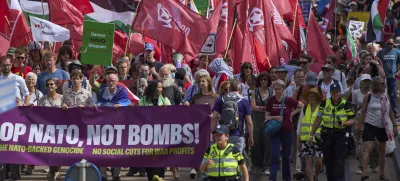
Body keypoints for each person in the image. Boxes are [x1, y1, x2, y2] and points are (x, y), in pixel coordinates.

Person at [309, 83, 355, 181]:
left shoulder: (346, 104)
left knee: (339, 161)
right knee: (329, 162)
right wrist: (311, 134)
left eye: (337, 92)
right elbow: (318, 119)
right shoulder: (324, 104)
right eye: (333, 92)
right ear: (330, 93)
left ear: (340, 93)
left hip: (341, 135)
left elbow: (352, 120)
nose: (335, 94)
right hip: (327, 135)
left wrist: (344, 123)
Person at [356, 77, 398, 181]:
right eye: (380, 84)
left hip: (382, 126)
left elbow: (390, 112)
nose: (383, 85)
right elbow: (363, 112)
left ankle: (382, 174)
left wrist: (394, 125)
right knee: (368, 148)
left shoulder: (385, 96)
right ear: (375, 85)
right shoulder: (368, 96)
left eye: (383, 84)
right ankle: (364, 173)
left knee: (382, 150)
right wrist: (358, 126)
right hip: (370, 124)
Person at [265, 79, 304, 181]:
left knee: (286, 156)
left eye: (280, 89)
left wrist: (292, 113)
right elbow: (267, 117)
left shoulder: (288, 100)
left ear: (283, 89)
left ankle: (287, 178)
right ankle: (272, 178)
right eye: (276, 89)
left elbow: (301, 105)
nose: (278, 91)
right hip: (274, 131)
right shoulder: (270, 101)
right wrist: (275, 117)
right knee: (275, 155)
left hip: (287, 131)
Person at [96, 73, 131, 181]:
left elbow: (128, 103)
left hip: (117, 126)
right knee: (101, 150)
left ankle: (116, 174)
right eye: (109, 81)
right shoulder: (101, 92)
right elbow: (96, 104)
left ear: (117, 82)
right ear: (106, 81)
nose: (111, 83)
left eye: (113, 81)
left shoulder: (122, 92)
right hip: (103, 126)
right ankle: (103, 174)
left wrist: (122, 106)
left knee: (117, 150)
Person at [211, 79, 254, 154]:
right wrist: (251, 137)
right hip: (238, 134)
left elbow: (214, 117)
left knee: (224, 158)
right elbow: (249, 122)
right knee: (237, 159)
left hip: (223, 134)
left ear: (229, 88)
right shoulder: (244, 101)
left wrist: (213, 133)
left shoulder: (221, 99)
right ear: (239, 89)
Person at [139, 80, 171, 181]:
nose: (162, 89)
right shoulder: (143, 100)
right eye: (159, 87)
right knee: (149, 155)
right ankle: (152, 177)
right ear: (154, 89)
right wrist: (132, 108)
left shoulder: (165, 100)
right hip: (147, 134)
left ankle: (159, 176)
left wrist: (167, 109)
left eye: (162, 87)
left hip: (161, 134)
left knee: (160, 154)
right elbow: (138, 114)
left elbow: (172, 114)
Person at [38, 78, 63, 181]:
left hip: (60, 129)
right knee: (50, 152)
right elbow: (37, 113)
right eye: (47, 85)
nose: (50, 86)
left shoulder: (62, 98)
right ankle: (53, 172)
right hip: (47, 130)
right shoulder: (42, 99)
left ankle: (54, 172)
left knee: (58, 152)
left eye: (52, 84)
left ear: (56, 86)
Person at [296, 88, 323, 181]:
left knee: (318, 161)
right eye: (309, 96)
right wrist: (298, 140)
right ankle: (311, 179)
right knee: (308, 159)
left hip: (318, 139)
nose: (311, 98)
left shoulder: (322, 108)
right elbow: (299, 124)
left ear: (317, 97)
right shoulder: (304, 108)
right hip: (306, 139)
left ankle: (316, 176)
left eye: (313, 96)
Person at [250, 72, 272, 175]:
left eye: (265, 79)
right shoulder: (255, 91)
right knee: (256, 142)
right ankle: (255, 163)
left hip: (268, 120)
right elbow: (253, 106)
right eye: (262, 79)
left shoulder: (272, 92)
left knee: (267, 143)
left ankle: (266, 165)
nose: (263, 81)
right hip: (257, 120)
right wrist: (265, 108)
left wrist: (261, 108)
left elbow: (273, 107)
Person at [352, 74, 374, 174]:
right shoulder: (356, 93)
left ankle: (373, 164)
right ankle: (361, 166)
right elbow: (354, 107)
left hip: (371, 119)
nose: (366, 83)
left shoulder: (373, 93)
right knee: (360, 144)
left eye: (368, 81)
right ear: (361, 82)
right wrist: (354, 122)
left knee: (373, 144)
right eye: (365, 81)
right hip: (359, 119)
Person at [377, 37, 400, 117]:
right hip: (383, 76)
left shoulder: (397, 52)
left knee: (392, 94)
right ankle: (382, 111)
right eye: (388, 44)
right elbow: (377, 62)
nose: (389, 45)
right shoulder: (381, 52)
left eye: (391, 44)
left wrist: (397, 72)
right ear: (385, 44)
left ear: (394, 44)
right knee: (382, 94)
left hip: (392, 77)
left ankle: (394, 112)